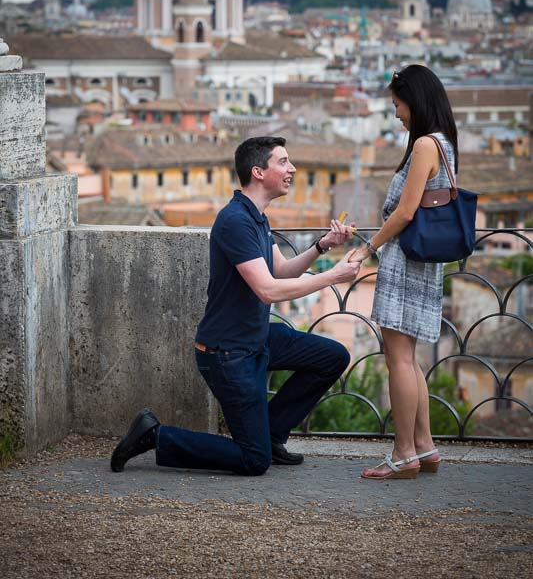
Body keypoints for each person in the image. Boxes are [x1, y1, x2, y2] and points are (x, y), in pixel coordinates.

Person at [111, 136, 361, 476]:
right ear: (258, 172)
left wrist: (322, 245)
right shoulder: (234, 221)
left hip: (256, 340)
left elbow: (281, 270)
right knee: (252, 461)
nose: (293, 169)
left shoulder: (256, 216)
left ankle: (270, 435)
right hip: (227, 354)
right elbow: (268, 290)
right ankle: (155, 435)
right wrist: (333, 276)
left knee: (332, 357)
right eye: (283, 162)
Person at [350, 65, 458, 479]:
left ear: (415, 100)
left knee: (397, 359)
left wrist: (366, 249)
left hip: (404, 259)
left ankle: (402, 454)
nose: (396, 114)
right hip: (424, 261)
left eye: (398, 104)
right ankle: (425, 448)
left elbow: (406, 211)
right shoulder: (444, 142)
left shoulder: (425, 147)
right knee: (409, 360)